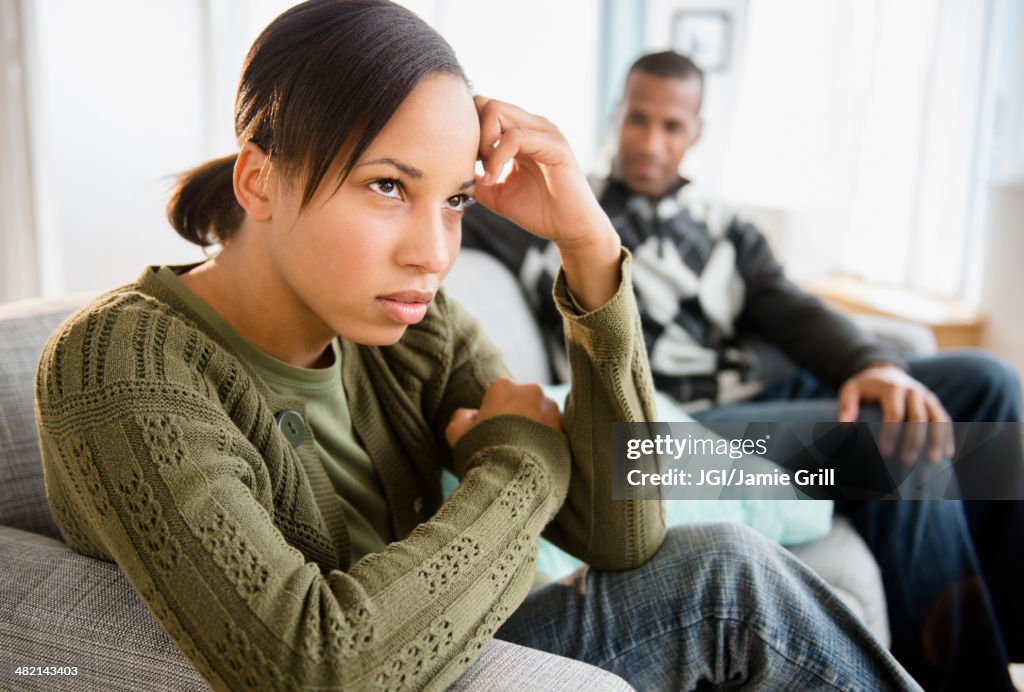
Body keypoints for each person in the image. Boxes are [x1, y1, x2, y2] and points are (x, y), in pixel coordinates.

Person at [33, 4, 921, 689]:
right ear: (260, 179)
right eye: (389, 186)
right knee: (731, 579)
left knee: (724, 556)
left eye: (456, 199)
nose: (434, 250)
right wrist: (523, 460)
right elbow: (315, 667)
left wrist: (591, 253)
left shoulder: (407, 325)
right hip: (387, 667)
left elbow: (625, 534)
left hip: (461, 645)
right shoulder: (118, 362)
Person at [462, 50, 1022, 690]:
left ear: (695, 132)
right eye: (637, 119)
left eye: (671, 126)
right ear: (616, 116)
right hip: (688, 425)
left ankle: (1008, 639)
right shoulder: (554, 207)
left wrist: (871, 362)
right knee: (893, 441)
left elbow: (791, 310)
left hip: (771, 394)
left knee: (988, 382)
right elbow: (452, 196)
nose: (650, 141)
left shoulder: (726, 229)